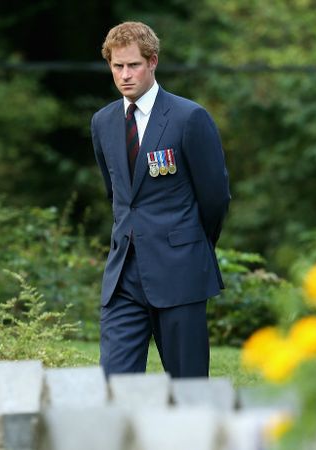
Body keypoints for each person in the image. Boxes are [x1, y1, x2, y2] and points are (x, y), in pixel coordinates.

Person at [91, 21, 230, 378]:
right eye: (117, 66)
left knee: (189, 389)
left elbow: (215, 198)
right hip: (124, 274)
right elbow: (118, 195)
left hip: (179, 270)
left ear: (152, 62)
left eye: (133, 65)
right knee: (114, 383)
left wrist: (190, 244)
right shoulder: (103, 122)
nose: (124, 75)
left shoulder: (189, 118)